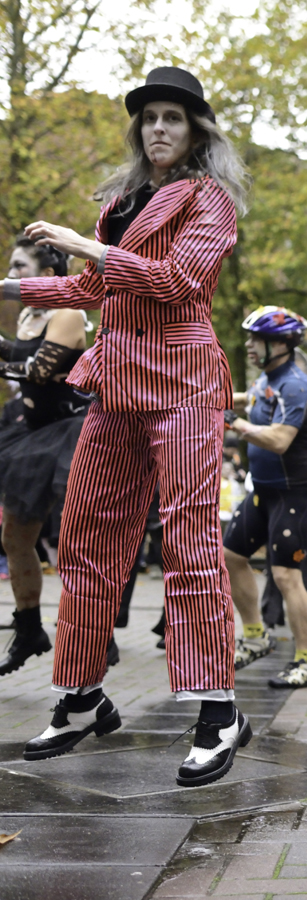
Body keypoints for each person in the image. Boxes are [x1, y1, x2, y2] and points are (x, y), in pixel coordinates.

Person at [0, 66, 251, 788]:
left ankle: (218, 709)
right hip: (116, 385)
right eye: (149, 118)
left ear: (197, 128)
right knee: (82, 536)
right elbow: (90, 289)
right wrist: (16, 286)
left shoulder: (211, 201)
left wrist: (90, 244)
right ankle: (80, 694)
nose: (159, 129)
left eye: (173, 117)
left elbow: (178, 283)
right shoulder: (123, 202)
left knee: (189, 540)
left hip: (182, 384)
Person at [0, 237, 95, 676]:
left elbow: (37, 371)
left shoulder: (67, 312)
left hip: (68, 434)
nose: (11, 274)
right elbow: (20, 357)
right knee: (16, 535)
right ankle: (29, 626)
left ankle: (97, 635)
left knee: (72, 541)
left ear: (49, 275)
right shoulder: (28, 314)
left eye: (19, 266)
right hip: (29, 430)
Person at [223, 306, 307, 688]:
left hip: (295, 492)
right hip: (264, 490)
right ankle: (255, 636)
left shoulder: (295, 385)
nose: (249, 345)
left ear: (280, 344)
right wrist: (206, 398)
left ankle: (305, 660)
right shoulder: (267, 379)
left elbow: (280, 439)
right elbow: (247, 400)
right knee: (231, 556)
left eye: (255, 339)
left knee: (285, 574)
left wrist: (237, 424)